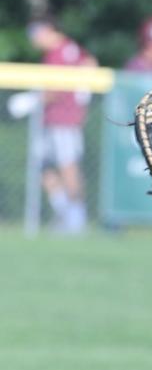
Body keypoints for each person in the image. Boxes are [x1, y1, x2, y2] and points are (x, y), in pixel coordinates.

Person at [28, 18, 97, 234]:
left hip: (65, 120)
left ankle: (76, 218)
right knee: (42, 166)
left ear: (48, 31)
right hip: (51, 119)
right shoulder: (62, 51)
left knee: (69, 167)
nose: (33, 41)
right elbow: (90, 62)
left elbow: (58, 87)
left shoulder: (64, 51)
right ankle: (64, 212)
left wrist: (33, 99)